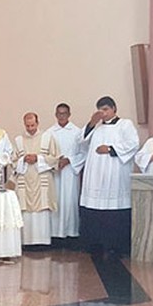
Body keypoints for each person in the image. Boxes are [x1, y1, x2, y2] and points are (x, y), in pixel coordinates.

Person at [79, 96, 139, 258]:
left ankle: (115, 246)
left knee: (114, 211)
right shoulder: (96, 127)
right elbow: (81, 143)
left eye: (106, 109)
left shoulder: (125, 124)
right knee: (95, 209)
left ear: (114, 109)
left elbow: (133, 143)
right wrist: (91, 123)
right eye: (100, 110)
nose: (103, 114)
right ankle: (95, 244)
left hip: (115, 174)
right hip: (96, 174)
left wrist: (111, 149)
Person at [13, 112, 59, 246]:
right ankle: (27, 242)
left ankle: (42, 242)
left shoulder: (47, 137)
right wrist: (23, 159)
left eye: (33, 125)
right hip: (25, 179)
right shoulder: (18, 140)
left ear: (37, 123)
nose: (30, 128)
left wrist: (38, 159)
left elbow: (55, 158)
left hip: (41, 180)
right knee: (26, 211)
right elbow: (13, 161)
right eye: (27, 126)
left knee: (42, 210)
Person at [45, 103, 86, 244]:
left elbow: (83, 153)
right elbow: (45, 153)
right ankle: (55, 235)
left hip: (70, 172)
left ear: (69, 114)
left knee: (70, 202)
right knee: (56, 201)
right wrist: (55, 161)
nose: (61, 116)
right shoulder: (49, 133)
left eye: (64, 113)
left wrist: (69, 160)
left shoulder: (77, 132)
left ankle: (71, 235)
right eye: (59, 114)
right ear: (55, 115)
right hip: (55, 172)